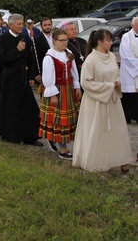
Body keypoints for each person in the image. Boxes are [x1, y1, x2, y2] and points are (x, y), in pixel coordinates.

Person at [73, 29, 133, 172]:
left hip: (112, 101)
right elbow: (86, 83)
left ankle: (121, 159)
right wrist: (108, 86)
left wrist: (117, 82)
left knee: (117, 131)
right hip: (96, 102)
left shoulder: (112, 56)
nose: (111, 43)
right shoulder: (91, 60)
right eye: (108, 40)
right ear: (99, 42)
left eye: (111, 40)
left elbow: (116, 72)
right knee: (98, 131)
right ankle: (98, 161)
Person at [0, 14, 42, 146]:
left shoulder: (24, 37)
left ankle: (30, 136)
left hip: (23, 77)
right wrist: (16, 50)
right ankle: (9, 134)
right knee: (10, 107)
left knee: (29, 107)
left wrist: (31, 76)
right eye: (18, 24)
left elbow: (30, 58)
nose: (21, 26)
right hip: (10, 77)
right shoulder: (3, 39)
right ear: (11, 24)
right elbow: (2, 59)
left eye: (22, 24)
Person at [38, 28, 81, 160]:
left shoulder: (68, 53)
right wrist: (52, 94)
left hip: (68, 89)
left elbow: (74, 72)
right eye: (61, 40)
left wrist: (77, 87)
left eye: (66, 40)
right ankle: (62, 148)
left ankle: (58, 141)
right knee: (59, 119)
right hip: (57, 90)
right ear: (54, 41)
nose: (64, 43)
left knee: (68, 119)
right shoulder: (49, 57)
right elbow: (47, 78)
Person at [118, 17, 138, 124]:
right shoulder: (126, 37)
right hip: (130, 70)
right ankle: (128, 116)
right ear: (133, 25)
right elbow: (126, 54)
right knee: (130, 94)